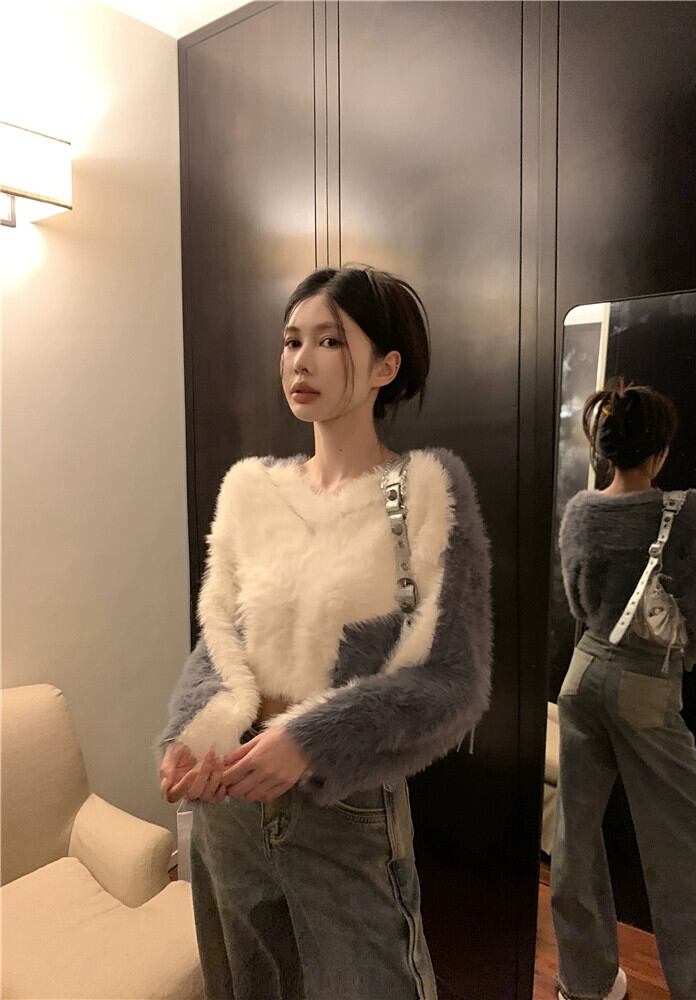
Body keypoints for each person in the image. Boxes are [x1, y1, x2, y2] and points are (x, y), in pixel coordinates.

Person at [155, 264, 493, 1000]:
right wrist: (192, 738)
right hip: (231, 809)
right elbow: (220, 638)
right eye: (291, 340)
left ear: (384, 367)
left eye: (329, 341)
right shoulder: (250, 489)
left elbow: (453, 680)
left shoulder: (426, 493)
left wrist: (310, 738)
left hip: (342, 810)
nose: (300, 361)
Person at [551, 376, 696, 1000]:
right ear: (660, 451)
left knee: (576, 836)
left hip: (582, 673)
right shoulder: (691, 512)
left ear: (605, 447)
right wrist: (684, 656)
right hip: (644, 683)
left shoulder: (581, 511)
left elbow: (578, 601)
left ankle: (584, 982)